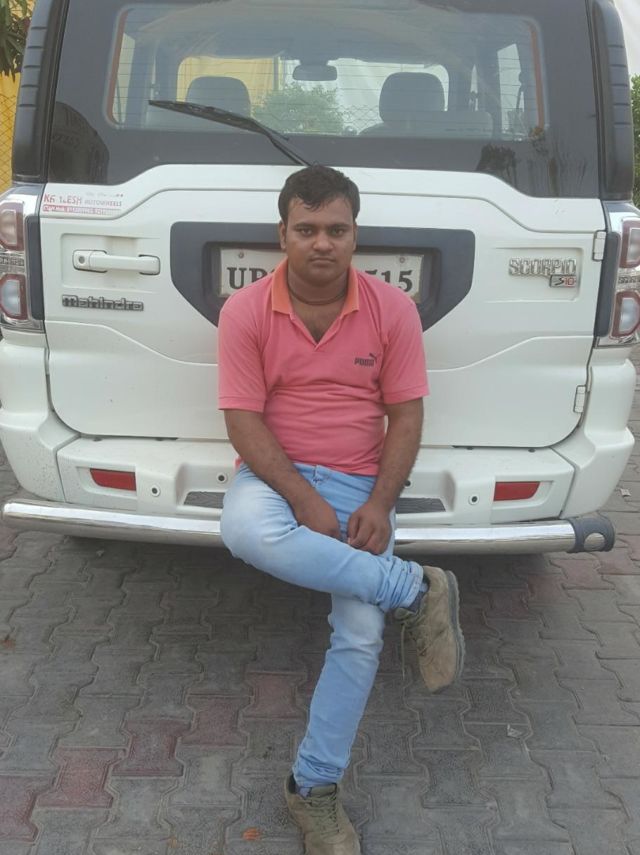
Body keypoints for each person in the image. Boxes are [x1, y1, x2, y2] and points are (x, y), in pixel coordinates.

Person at [218, 164, 464, 855]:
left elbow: (406, 417)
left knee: (360, 633)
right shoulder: (246, 311)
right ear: (282, 235)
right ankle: (414, 589)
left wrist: (381, 503)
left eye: (336, 229)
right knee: (242, 527)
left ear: (356, 236)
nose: (321, 243)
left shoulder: (393, 310)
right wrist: (301, 497)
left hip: (361, 482)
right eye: (307, 229)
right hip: (275, 476)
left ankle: (313, 786)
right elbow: (242, 421)